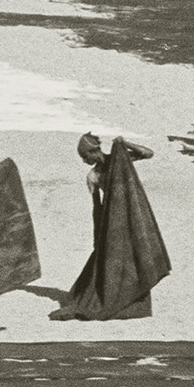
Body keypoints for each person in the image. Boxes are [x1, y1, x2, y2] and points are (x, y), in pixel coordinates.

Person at [52, 131, 169, 321]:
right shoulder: (93, 176)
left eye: (84, 156)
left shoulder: (118, 160)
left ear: (92, 152)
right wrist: (98, 236)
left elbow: (148, 153)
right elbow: (97, 208)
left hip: (128, 216)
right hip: (113, 221)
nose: (84, 161)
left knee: (133, 255)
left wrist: (126, 143)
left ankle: (133, 299)